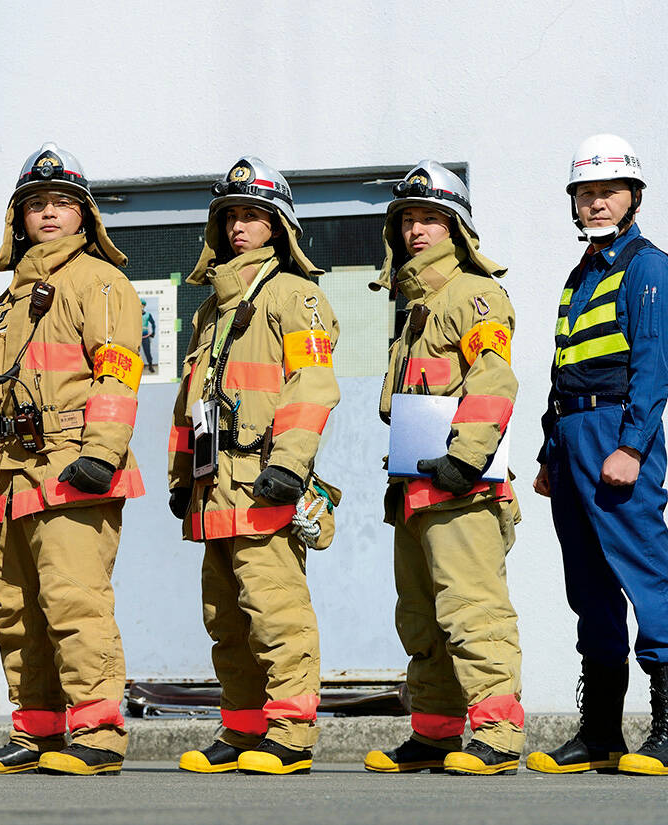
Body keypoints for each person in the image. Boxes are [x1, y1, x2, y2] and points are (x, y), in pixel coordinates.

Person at [0, 142, 143, 777]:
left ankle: (98, 734)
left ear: (85, 217)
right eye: (34, 204)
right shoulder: (7, 301)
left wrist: (102, 454)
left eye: (62, 203)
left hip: (72, 469)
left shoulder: (101, 282)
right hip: (9, 477)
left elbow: (119, 371)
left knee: (75, 604)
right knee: (16, 611)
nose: (47, 214)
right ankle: (36, 731)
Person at [527, 134, 668, 777]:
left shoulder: (649, 267)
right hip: (572, 437)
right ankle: (600, 734)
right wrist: (549, 450)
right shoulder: (582, 271)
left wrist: (630, 445)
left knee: (645, 575)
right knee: (589, 590)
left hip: (616, 432)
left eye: (608, 192)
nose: (596, 204)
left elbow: (654, 370)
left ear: (633, 197)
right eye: (586, 194)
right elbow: (562, 363)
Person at [168, 156, 340, 776]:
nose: (240, 226)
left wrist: (290, 468)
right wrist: (180, 477)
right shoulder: (211, 307)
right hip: (213, 488)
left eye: (253, 215)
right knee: (226, 618)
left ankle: (291, 733)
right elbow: (193, 398)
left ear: (279, 226)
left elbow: (313, 384)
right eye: (231, 216)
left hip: (264, 480)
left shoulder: (297, 296)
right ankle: (242, 730)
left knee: (277, 612)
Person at [362, 161, 526, 776]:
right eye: (406, 219)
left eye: (429, 218)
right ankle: (436, 733)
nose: (415, 230)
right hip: (415, 489)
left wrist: (465, 458)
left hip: (462, 488)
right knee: (422, 618)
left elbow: (494, 379)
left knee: (472, 611)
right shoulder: (414, 305)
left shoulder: (474, 295)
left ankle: (498, 736)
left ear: (455, 226)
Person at [141, 297, 156, 372]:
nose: (141, 307)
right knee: (134, 352)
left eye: (142, 305)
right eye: (139, 305)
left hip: (145, 336)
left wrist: (153, 332)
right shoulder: (134, 315)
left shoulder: (148, 314)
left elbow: (153, 323)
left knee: (147, 352)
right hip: (136, 337)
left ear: (144, 306)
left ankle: (150, 366)